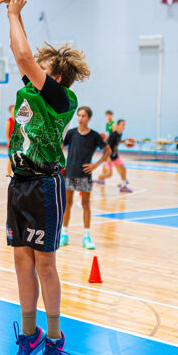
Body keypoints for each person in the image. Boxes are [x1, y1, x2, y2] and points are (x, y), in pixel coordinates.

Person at [0, 0, 89, 355]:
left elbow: (24, 55)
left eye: (41, 66)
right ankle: (29, 334)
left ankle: (55, 337)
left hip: (46, 186)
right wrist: (15, 16)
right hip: (19, 184)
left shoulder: (61, 97)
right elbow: (24, 54)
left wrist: (13, 13)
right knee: (20, 261)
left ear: (55, 75)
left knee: (45, 263)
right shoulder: (27, 92)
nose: (31, 66)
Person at [60, 106, 110, 249]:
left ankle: (86, 236)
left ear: (89, 118)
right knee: (67, 204)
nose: (80, 118)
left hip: (84, 175)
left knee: (85, 205)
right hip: (69, 173)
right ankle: (64, 235)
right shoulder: (71, 133)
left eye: (83, 116)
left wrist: (96, 165)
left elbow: (108, 150)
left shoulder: (94, 136)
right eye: (79, 115)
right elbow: (60, 147)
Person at [95, 119, 132, 192]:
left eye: (125, 125)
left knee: (123, 170)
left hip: (115, 156)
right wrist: (108, 158)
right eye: (123, 124)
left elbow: (117, 142)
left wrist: (125, 141)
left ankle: (123, 186)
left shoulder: (120, 134)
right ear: (118, 125)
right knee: (109, 174)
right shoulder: (113, 135)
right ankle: (97, 178)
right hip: (108, 157)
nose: (124, 126)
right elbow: (107, 147)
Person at [5, 104, 15, 177]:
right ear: (10, 111)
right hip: (11, 142)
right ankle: (9, 173)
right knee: (10, 159)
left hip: (18, 142)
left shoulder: (19, 120)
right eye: (13, 109)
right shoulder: (9, 121)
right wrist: (9, 142)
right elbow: (7, 133)